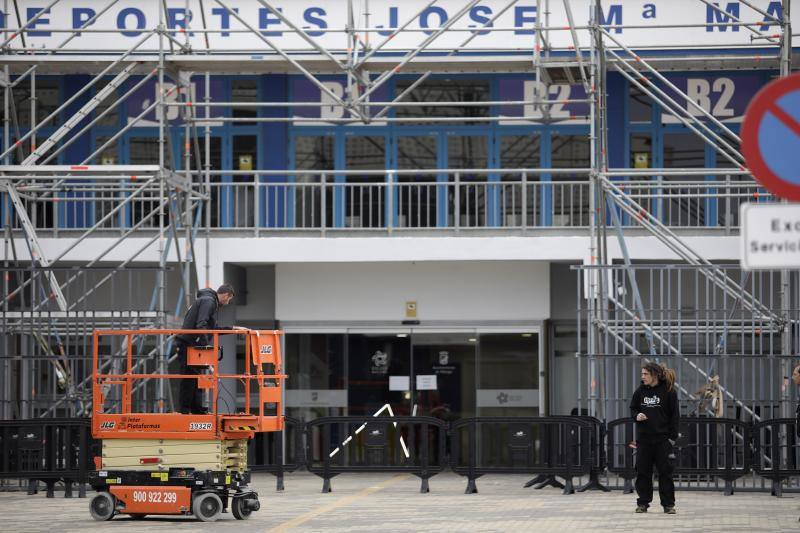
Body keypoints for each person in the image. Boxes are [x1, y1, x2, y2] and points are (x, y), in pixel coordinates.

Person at [175, 284, 236, 414]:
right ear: (226, 295)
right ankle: (186, 410)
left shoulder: (208, 301)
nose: (227, 302)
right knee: (189, 378)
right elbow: (201, 324)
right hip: (189, 343)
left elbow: (212, 329)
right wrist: (204, 346)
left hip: (191, 343)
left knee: (195, 377)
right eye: (229, 299)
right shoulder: (209, 302)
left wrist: (232, 329)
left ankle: (195, 408)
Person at [630, 362, 679, 515]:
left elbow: (674, 416)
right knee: (643, 472)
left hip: (662, 440)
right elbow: (633, 408)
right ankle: (643, 503)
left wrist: (671, 438)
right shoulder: (640, 391)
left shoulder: (669, 391)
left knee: (665, 473)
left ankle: (668, 505)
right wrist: (636, 415)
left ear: (655, 375)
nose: (642, 377)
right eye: (642, 374)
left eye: (645, 374)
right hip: (644, 440)